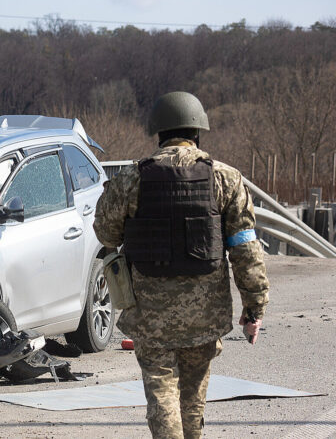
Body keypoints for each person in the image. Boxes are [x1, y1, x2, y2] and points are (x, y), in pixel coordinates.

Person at [93, 91, 270, 439]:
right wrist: (254, 306)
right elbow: (245, 249)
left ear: (158, 132)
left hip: (150, 314)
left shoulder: (132, 178)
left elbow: (105, 233)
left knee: (162, 397)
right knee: (192, 399)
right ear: (198, 131)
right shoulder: (226, 178)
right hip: (205, 314)